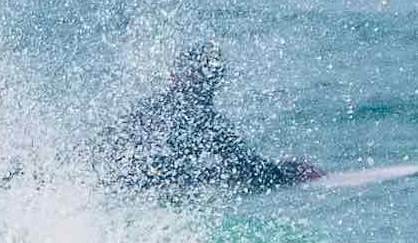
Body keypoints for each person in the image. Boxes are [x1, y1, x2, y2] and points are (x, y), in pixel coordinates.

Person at [99, 43, 323, 191]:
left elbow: (108, 142)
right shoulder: (205, 122)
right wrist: (291, 172)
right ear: (214, 82)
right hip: (145, 185)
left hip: (114, 178)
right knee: (208, 177)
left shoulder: (150, 108)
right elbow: (252, 171)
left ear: (173, 76)